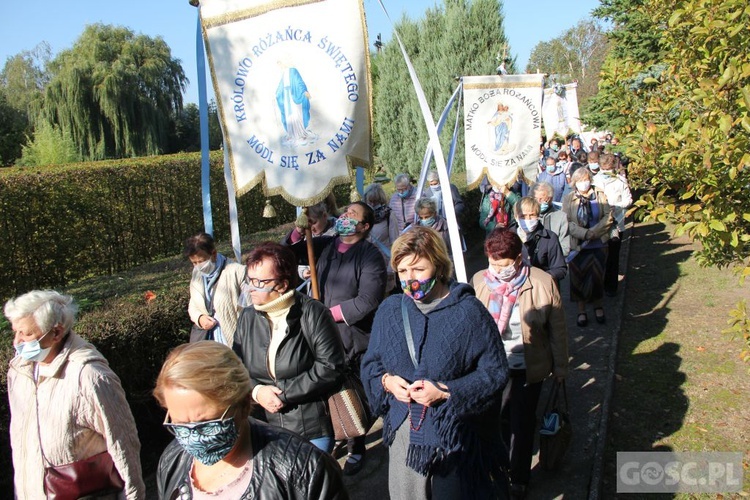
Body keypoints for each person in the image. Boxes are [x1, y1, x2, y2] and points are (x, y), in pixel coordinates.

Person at [361, 226, 509, 499]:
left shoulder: (469, 312)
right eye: (402, 271)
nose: (410, 279)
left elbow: (495, 372)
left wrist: (446, 392)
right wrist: (386, 382)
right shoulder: (390, 310)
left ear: (439, 265)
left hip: (454, 443)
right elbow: (371, 364)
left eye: (418, 269)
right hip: (405, 441)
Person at [155, 341, 348, 499]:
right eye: (180, 424)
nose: (194, 436)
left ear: (244, 404)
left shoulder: (304, 470)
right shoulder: (172, 461)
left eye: (208, 423)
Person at [5, 290, 145, 498]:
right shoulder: (19, 372)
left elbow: (123, 444)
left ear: (56, 333)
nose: (17, 342)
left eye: (26, 334)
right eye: (15, 332)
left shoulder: (89, 376)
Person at [285, 201, 387, 475]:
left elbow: (367, 300)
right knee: (326, 389)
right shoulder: (328, 246)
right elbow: (293, 252)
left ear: (365, 226)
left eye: (352, 214)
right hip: (324, 336)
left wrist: (328, 315)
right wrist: (298, 230)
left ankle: (357, 444)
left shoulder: (370, 256)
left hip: (353, 337)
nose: (345, 216)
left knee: (351, 391)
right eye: (345, 212)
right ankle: (334, 434)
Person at [471, 229, 568, 497]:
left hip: (529, 366)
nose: (498, 270)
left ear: (518, 258)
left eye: (504, 264)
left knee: (522, 424)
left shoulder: (541, 282)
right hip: (492, 368)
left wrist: (561, 367)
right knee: (496, 422)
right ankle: (498, 469)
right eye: (492, 262)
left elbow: (557, 330)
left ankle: (519, 477)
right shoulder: (479, 281)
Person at [232, 242, 346, 453]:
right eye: (250, 280)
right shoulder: (247, 317)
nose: (251, 288)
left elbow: (331, 367)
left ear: (282, 285)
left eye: (260, 282)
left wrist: (281, 394)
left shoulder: (314, 313)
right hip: (261, 427)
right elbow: (234, 367)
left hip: (309, 427)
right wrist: (257, 391)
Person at [563, 167, 614, 327]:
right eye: (580, 180)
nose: (583, 183)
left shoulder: (599, 194)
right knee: (578, 278)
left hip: (598, 242)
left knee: (597, 276)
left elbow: (608, 216)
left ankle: (598, 306)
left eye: (586, 179)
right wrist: (584, 233)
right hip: (578, 246)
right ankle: (581, 310)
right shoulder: (569, 198)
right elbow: (567, 222)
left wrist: (594, 232)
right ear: (574, 182)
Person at [185, 232, 246, 346]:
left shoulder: (237, 272)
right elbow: (193, 304)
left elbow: (248, 309)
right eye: (194, 263)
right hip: (206, 341)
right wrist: (200, 318)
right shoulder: (197, 274)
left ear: (213, 254)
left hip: (233, 340)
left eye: (201, 261)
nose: (198, 266)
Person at [593, 153, 633, 296]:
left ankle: (610, 286)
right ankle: (604, 285)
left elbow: (628, 200)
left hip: (616, 223)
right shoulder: (594, 181)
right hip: (599, 224)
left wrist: (615, 206)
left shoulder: (620, 181)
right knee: (606, 255)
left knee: (612, 255)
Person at [515, 197, 567, 283]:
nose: (527, 219)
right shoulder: (508, 237)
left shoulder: (549, 238)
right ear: (516, 217)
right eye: (523, 216)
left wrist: (541, 278)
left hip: (541, 287)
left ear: (538, 216)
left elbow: (560, 269)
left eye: (532, 215)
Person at [364, 182, 396, 292]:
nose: (372, 204)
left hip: (385, 262)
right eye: (370, 201)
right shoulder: (363, 216)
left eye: (375, 201)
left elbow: (395, 242)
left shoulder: (389, 215)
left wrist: (391, 269)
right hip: (368, 263)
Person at [530, 181, 570, 256]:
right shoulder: (527, 216)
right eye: (535, 199)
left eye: (541, 199)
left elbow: (565, 248)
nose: (538, 202)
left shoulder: (561, 217)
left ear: (550, 199)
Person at [389, 173, 418, 243]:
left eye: (403, 189)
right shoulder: (394, 198)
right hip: (399, 236)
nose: (401, 192)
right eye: (398, 189)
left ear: (408, 186)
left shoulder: (418, 195)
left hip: (415, 234)